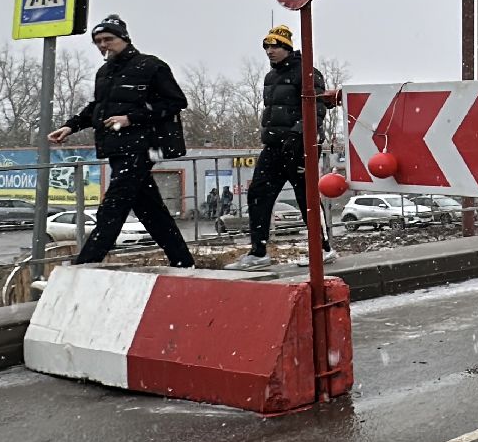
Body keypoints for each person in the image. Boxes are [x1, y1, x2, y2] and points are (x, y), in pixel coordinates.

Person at [48, 15, 196, 267]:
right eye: (98, 41)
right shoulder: (104, 73)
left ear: (124, 39)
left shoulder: (150, 66)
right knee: (151, 212)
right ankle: (182, 261)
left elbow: (176, 102)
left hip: (142, 147)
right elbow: (97, 108)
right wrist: (70, 126)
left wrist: (132, 118)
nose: (103, 45)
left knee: (112, 209)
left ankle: (85, 264)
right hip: (115, 149)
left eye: (108, 39)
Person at [228, 24, 339, 269]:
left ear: (287, 47)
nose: (270, 51)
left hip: (301, 147)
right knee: (258, 195)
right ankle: (258, 252)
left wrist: (297, 134)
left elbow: (317, 109)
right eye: (267, 46)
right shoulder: (271, 77)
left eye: (275, 46)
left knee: (306, 198)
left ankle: (323, 249)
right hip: (274, 147)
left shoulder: (307, 72)